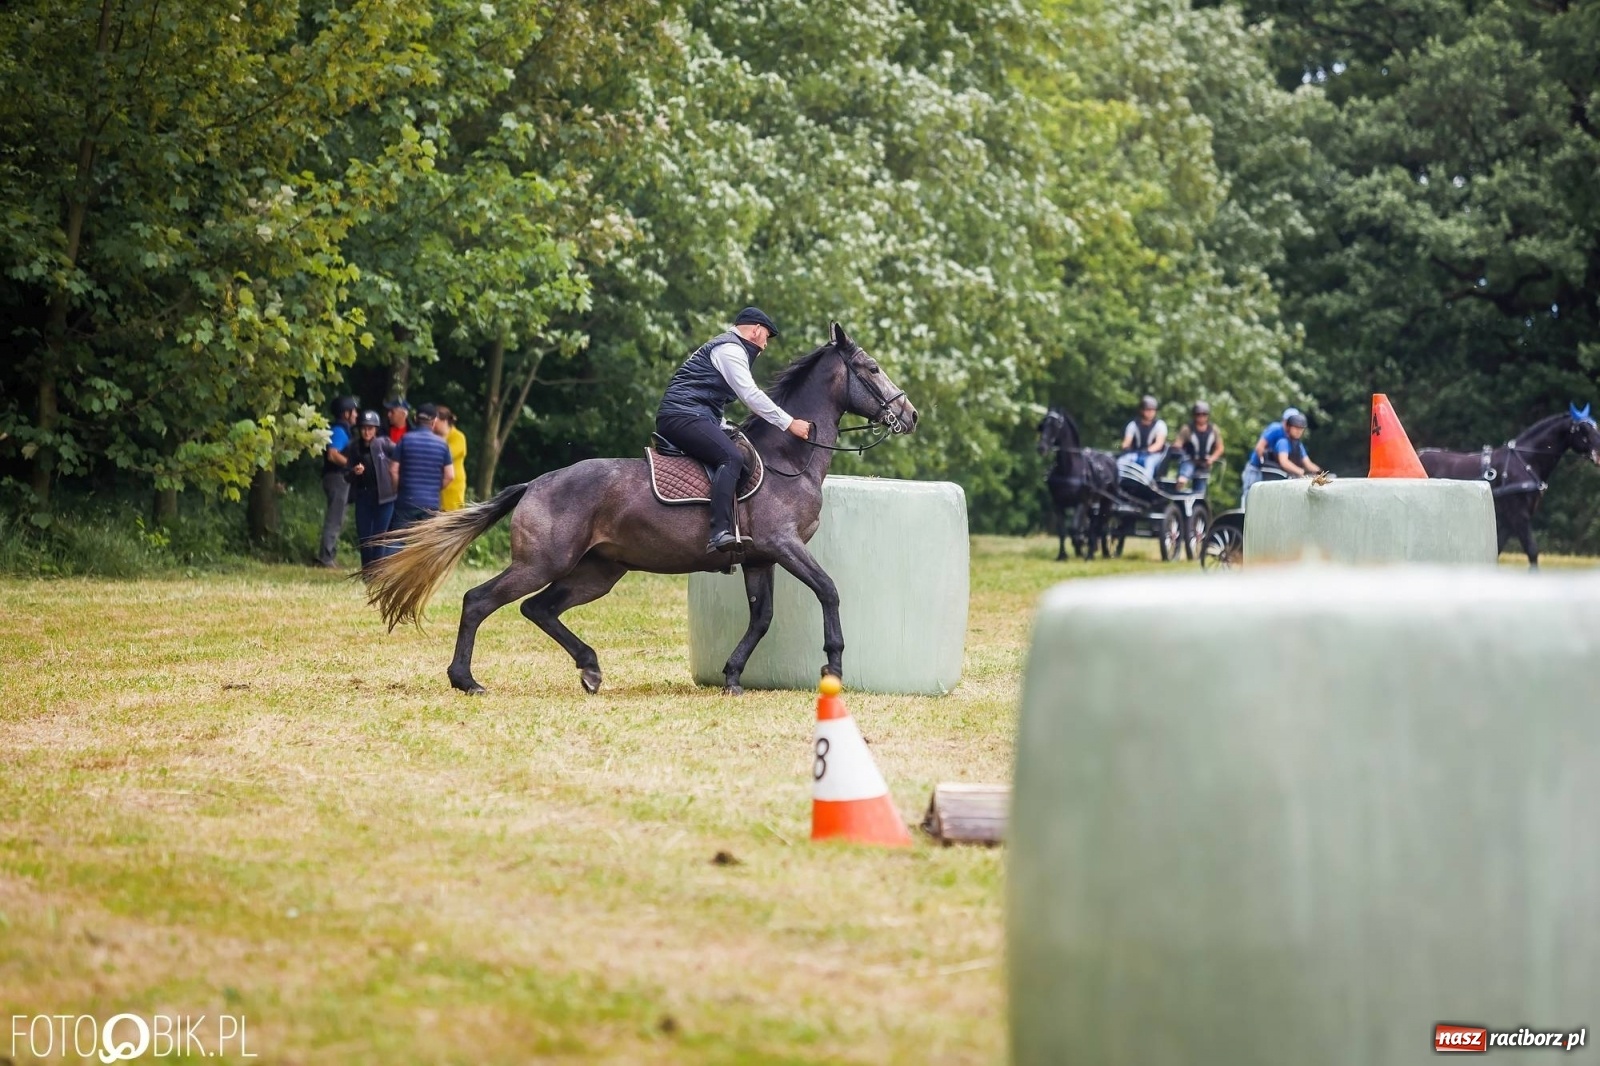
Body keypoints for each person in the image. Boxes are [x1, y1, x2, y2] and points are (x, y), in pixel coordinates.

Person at [655, 307, 812, 552]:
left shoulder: (725, 346)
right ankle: (719, 533)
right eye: (766, 337)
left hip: (692, 415)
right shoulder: (731, 350)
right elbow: (750, 395)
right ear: (756, 330)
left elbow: (709, 398)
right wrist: (789, 423)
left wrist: (724, 425)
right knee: (731, 457)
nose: (765, 345)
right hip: (684, 416)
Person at [343, 410, 399, 572]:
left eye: (370, 428)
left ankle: (379, 571)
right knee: (365, 536)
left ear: (376, 429)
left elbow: (399, 457)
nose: (367, 432)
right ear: (359, 429)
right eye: (364, 429)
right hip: (363, 496)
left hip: (385, 497)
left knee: (381, 536)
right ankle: (367, 571)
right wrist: (354, 472)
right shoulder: (353, 447)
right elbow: (346, 475)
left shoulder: (385, 444)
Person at [389, 404, 455, 534]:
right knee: (425, 547)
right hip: (431, 505)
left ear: (415, 418)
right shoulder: (442, 445)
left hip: (406, 501)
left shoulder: (405, 439)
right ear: (434, 421)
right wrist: (434, 489)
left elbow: (393, 470)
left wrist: (399, 489)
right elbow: (450, 475)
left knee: (396, 542)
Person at [317, 396, 359, 568]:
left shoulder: (343, 429)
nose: (357, 415)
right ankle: (326, 558)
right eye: (354, 411)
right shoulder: (339, 430)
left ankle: (329, 555)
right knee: (335, 519)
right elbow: (333, 454)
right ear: (346, 413)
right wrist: (351, 465)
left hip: (337, 478)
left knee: (339, 518)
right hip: (337, 478)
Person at [1241, 406, 1300, 504]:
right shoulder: (1276, 429)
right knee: (1249, 492)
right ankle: (1244, 514)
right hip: (1256, 467)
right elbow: (1259, 447)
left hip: (1270, 470)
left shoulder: (1290, 437)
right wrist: (1263, 461)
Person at [1175, 401, 1225, 494]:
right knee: (1182, 479)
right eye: (1198, 414)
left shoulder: (1213, 429)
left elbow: (1220, 448)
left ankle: (1197, 506)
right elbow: (1178, 444)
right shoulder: (1187, 429)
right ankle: (1177, 497)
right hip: (1189, 460)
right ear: (1194, 415)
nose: (1201, 417)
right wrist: (1178, 449)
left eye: (1204, 414)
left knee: (1200, 493)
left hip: (1204, 464)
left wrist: (1212, 459)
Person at [1120, 395, 1168, 475]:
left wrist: (1147, 450)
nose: (1150, 412)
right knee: (1121, 462)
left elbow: (1159, 444)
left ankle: (1145, 485)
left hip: (1153, 455)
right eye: (1148, 410)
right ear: (1142, 410)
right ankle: (1118, 484)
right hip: (1135, 453)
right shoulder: (1133, 425)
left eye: (1153, 410)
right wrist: (1125, 447)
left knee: (1148, 463)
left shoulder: (1160, 425)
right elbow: (1126, 442)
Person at [432, 405, 468, 511]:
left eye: (434, 420)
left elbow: (443, 456)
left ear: (443, 421)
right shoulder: (434, 436)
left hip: (452, 487)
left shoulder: (458, 437)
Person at [1265, 411, 1321, 477]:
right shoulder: (1283, 442)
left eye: (1301, 428)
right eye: (1296, 428)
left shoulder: (1298, 445)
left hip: (1291, 477)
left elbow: (1308, 463)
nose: (1298, 431)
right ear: (1289, 427)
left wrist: (1320, 473)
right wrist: (1301, 471)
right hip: (1281, 478)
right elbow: (1284, 462)